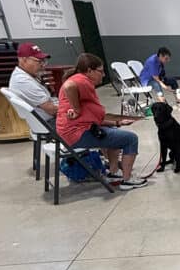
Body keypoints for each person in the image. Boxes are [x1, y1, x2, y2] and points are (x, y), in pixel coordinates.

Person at [57, 53, 147, 190]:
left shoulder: (82, 80)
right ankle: (128, 180)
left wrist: (117, 123)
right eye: (100, 71)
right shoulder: (82, 80)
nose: (103, 74)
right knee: (130, 139)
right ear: (89, 70)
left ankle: (113, 172)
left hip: (75, 131)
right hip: (77, 134)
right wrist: (76, 109)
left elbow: (92, 117)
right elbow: (69, 86)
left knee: (115, 135)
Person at [9, 42, 58, 120]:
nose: (43, 65)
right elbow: (52, 110)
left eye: (43, 61)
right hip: (51, 122)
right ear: (23, 60)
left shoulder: (28, 75)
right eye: (39, 61)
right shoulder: (23, 81)